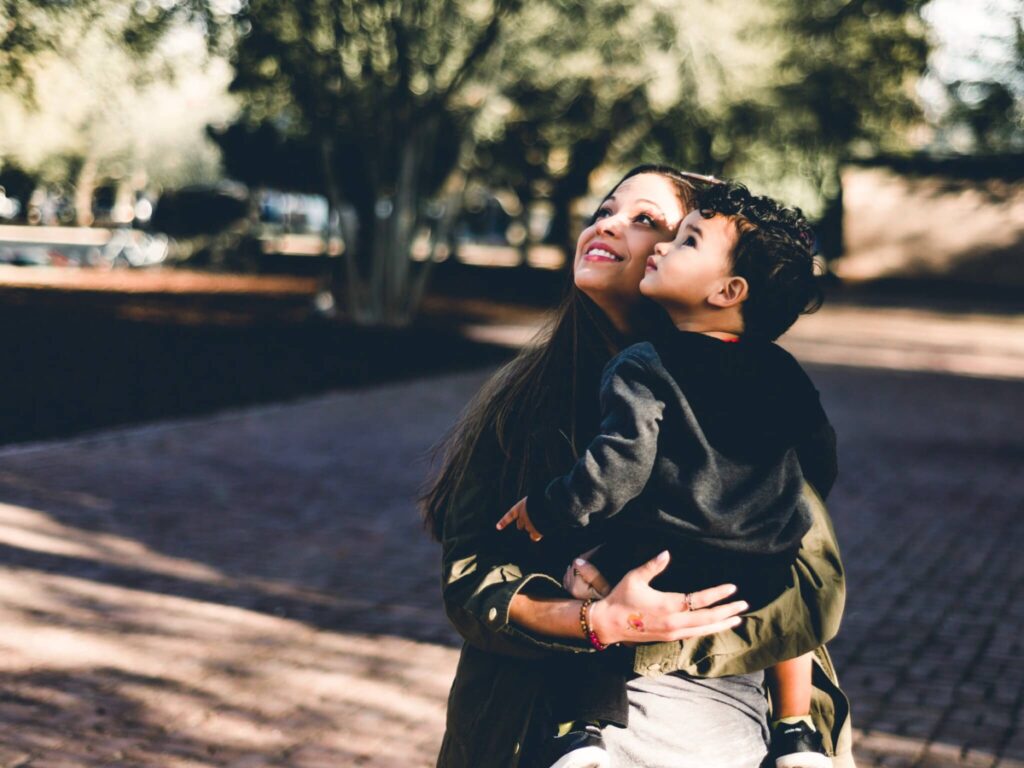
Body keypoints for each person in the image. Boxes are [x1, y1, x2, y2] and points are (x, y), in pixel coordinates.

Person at [423, 165, 853, 768]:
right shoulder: (522, 398)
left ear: (724, 281)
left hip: (719, 726)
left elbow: (808, 580)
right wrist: (596, 620)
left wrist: (683, 611)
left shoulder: (749, 401)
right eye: (605, 210)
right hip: (535, 728)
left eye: (649, 221)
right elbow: (471, 577)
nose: (607, 225)